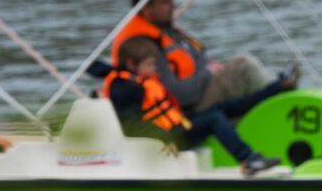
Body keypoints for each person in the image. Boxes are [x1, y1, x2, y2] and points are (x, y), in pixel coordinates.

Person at [104, 37, 285, 176]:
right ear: (131, 65)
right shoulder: (123, 89)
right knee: (215, 119)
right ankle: (248, 159)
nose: (156, 70)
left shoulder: (141, 82)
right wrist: (165, 137)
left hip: (177, 127)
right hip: (168, 139)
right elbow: (133, 126)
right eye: (151, 65)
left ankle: (275, 89)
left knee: (222, 108)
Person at [113, 0, 296, 114]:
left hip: (200, 90)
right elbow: (180, 95)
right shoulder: (145, 46)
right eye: (164, 2)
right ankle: (287, 107)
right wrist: (208, 73)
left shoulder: (168, 32)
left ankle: (283, 93)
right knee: (243, 66)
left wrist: (210, 70)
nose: (172, 6)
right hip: (188, 107)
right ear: (146, 9)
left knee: (241, 69)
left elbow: (198, 59)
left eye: (171, 0)